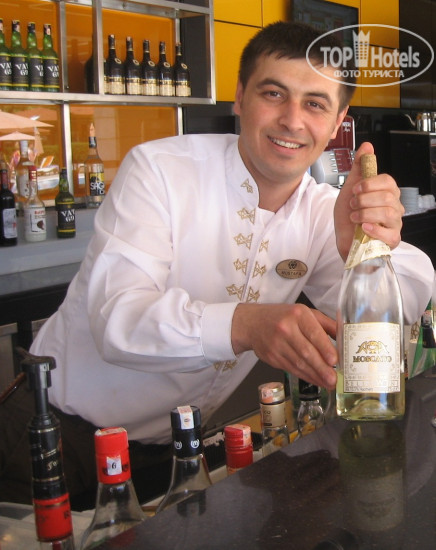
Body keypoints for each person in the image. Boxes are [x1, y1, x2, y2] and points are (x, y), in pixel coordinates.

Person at [1, 21, 434, 509]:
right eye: (274, 94)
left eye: (315, 104)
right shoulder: (160, 171)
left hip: (173, 447)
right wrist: (246, 325)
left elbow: (408, 302)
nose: (292, 120)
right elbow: (116, 320)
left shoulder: (322, 211)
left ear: (337, 123)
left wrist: (359, 248)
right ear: (240, 97)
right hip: (54, 433)